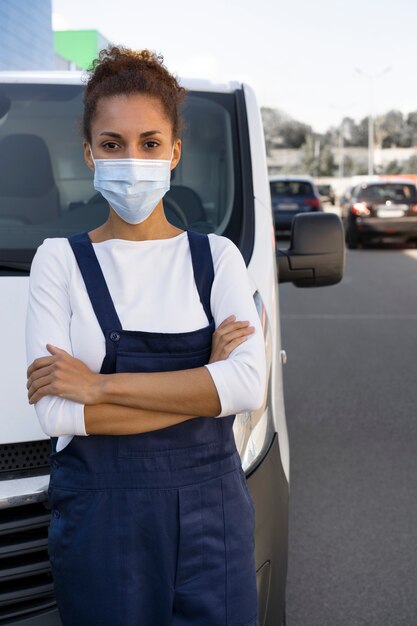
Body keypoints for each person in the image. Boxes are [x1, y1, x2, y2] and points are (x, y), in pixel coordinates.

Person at [26, 46, 266, 626]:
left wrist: (100, 389)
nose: (131, 160)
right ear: (89, 154)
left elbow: (248, 387)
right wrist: (202, 385)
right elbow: (57, 415)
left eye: (149, 144)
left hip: (215, 522)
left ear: (174, 153)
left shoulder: (219, 258)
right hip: (102, 530)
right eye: (112, 144)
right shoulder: (57, 261)